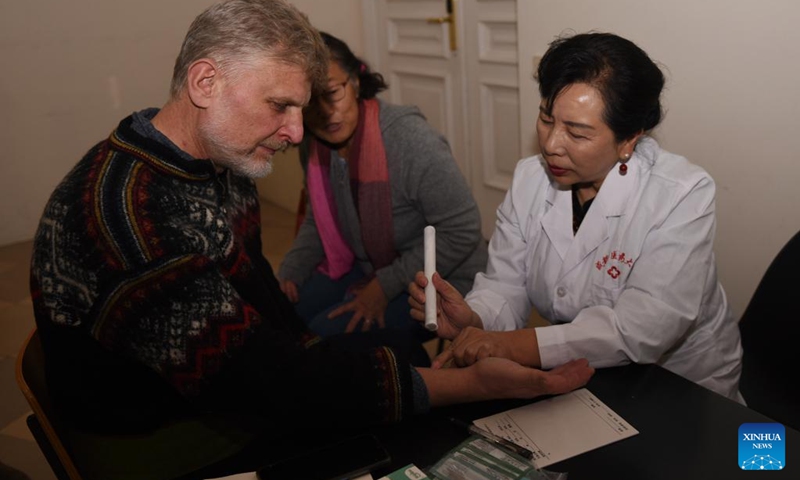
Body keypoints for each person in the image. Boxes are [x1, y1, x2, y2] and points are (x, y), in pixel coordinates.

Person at [30, 1, 593, 475]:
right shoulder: (134, 221)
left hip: (215, 395)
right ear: (206, 82)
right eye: (280, 106)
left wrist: (323, 356)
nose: (298, 132)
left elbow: (270, 325)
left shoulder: (217, 163)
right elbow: (271, 386)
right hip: (159, 437)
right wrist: (469, 385)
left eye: (302, 109)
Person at [409, 32, 743, 402]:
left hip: (678, 382)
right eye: (546, 119)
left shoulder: (681, 193)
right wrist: (475, 320)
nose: (551, 144)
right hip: (582, 376)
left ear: (629, 139)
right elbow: (506, 285)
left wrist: (508, 344)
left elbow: (642, 330)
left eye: (577, 133)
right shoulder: (529, 178)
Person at [278, 32, 488, 339]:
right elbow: (319, 218)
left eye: (333, 93)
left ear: (356, 82)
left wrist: (384, 286)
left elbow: (463, 228)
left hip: (445, 276)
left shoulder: (409, 140)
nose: (325, 112)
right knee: (284, 319)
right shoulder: (311, 144)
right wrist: (292, 269)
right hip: (372, 265)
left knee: (326, 339)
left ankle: (408, 371)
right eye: (309, 102)